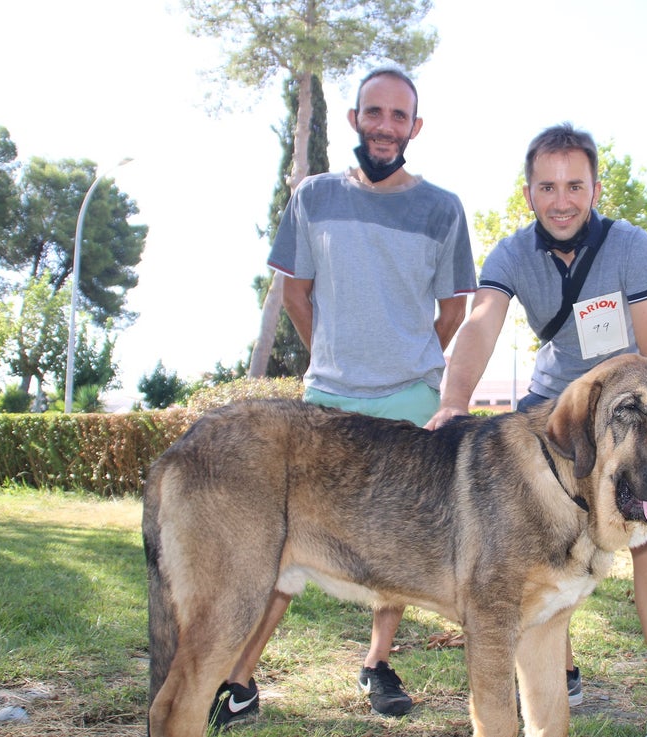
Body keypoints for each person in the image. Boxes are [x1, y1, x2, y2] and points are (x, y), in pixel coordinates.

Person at [208, 66, 476, 729]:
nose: (386, 125)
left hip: (411, 399)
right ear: (356, 119)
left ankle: (378, 660)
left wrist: (406, 361)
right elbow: (296, 292)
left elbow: (454, 309)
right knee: (282, 540)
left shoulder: (443, 208)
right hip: (325, 400)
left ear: (415, 127)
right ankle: (239, 678)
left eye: (399, 115)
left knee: (405, 544)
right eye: (374, 112)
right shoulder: (314, 195)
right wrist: (334, 355)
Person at [426, 123, 647, 737]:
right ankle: (555, 676)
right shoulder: (513, 253)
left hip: (627, 414)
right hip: (553, 411)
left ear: (595, 188)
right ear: (529, 194)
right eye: (548, 186)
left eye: (575, 185)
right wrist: (453, 400)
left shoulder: (630, 247)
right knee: (540, 543)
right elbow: (483, 321)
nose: (562, 199)